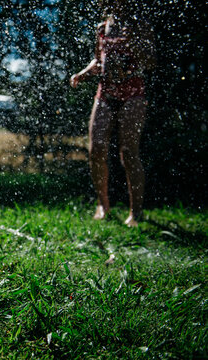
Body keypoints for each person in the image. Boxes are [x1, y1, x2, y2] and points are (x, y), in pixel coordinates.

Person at [70, 0, 155, 227]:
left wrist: (135, 41)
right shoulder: (102, 28)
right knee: (96, 148)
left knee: (128, 152)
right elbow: (100, 61)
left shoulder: (140, 26)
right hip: (105, 93)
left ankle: (135, 213)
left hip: (133, 93)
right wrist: (83, 73)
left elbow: (151, 62)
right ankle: (102, 203)